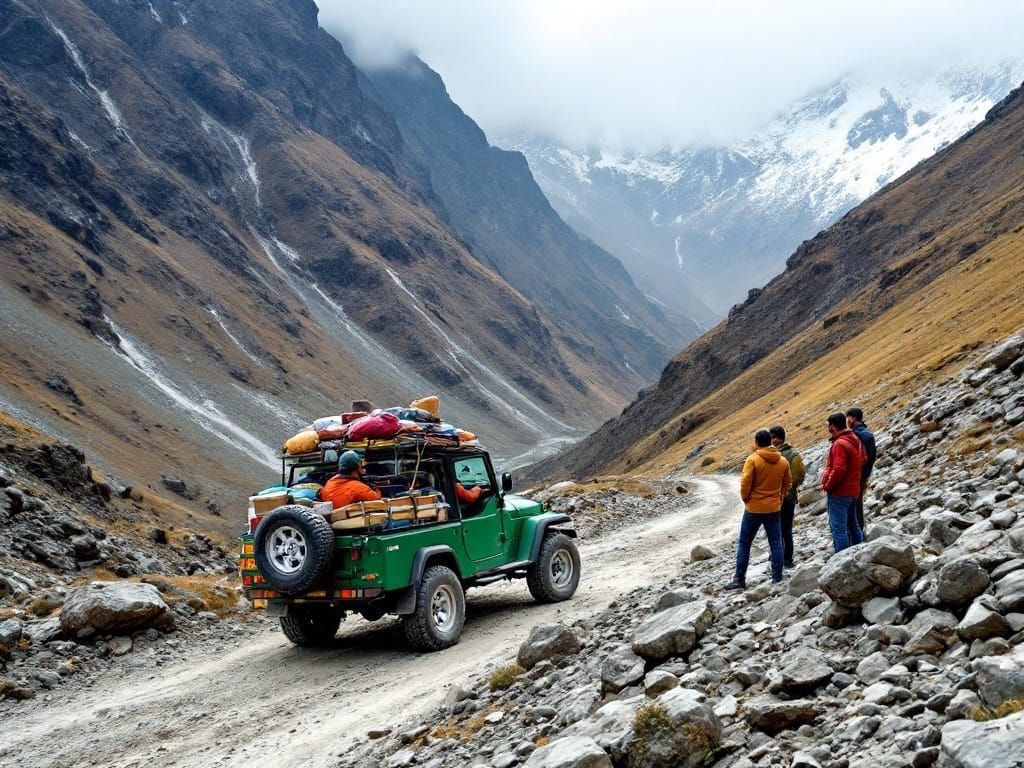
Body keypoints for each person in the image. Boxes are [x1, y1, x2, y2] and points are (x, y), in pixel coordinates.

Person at [726, 429, 792, 590]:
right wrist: (779, 497)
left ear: (756, 442)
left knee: (744, 543)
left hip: (753, 509)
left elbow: (745, 483)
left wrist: (746, 498)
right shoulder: (782, 461)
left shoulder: (753, 459)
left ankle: (739, 578)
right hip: (773, 508)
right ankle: (777, 577)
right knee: (775, 542)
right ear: (770, 441)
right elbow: (787, 483)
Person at [822, 412, 866, 552]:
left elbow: (839, 469)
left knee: (839, 529)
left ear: (833, 426)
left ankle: (841, 561)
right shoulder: (854, 438)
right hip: (853, 489)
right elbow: (864, 459)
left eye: (830, 426)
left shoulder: (839, 444)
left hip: (840, 492)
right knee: (853, 524)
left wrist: (829, 485)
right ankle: (860, 552)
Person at [769, 425, 805, 569]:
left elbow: (798, 476)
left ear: (778, 438)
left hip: (777, 499)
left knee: (779, 530)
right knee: (784, 530)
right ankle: (784, 557)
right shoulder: (791, 455)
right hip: (786, 498)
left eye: (772, 438)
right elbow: (799, 476)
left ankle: (783, 558)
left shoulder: (783, 455)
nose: (771, 441)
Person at [846, 407, 876, 533]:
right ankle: (859, 529)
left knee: (851, 503)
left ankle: (854, 532)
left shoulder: (854, 435)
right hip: (864, 473)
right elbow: (871, 456)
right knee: (858, 502)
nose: (847, 420)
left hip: (854, 474)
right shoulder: (868, 434)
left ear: (852, 418)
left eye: (848, 417)